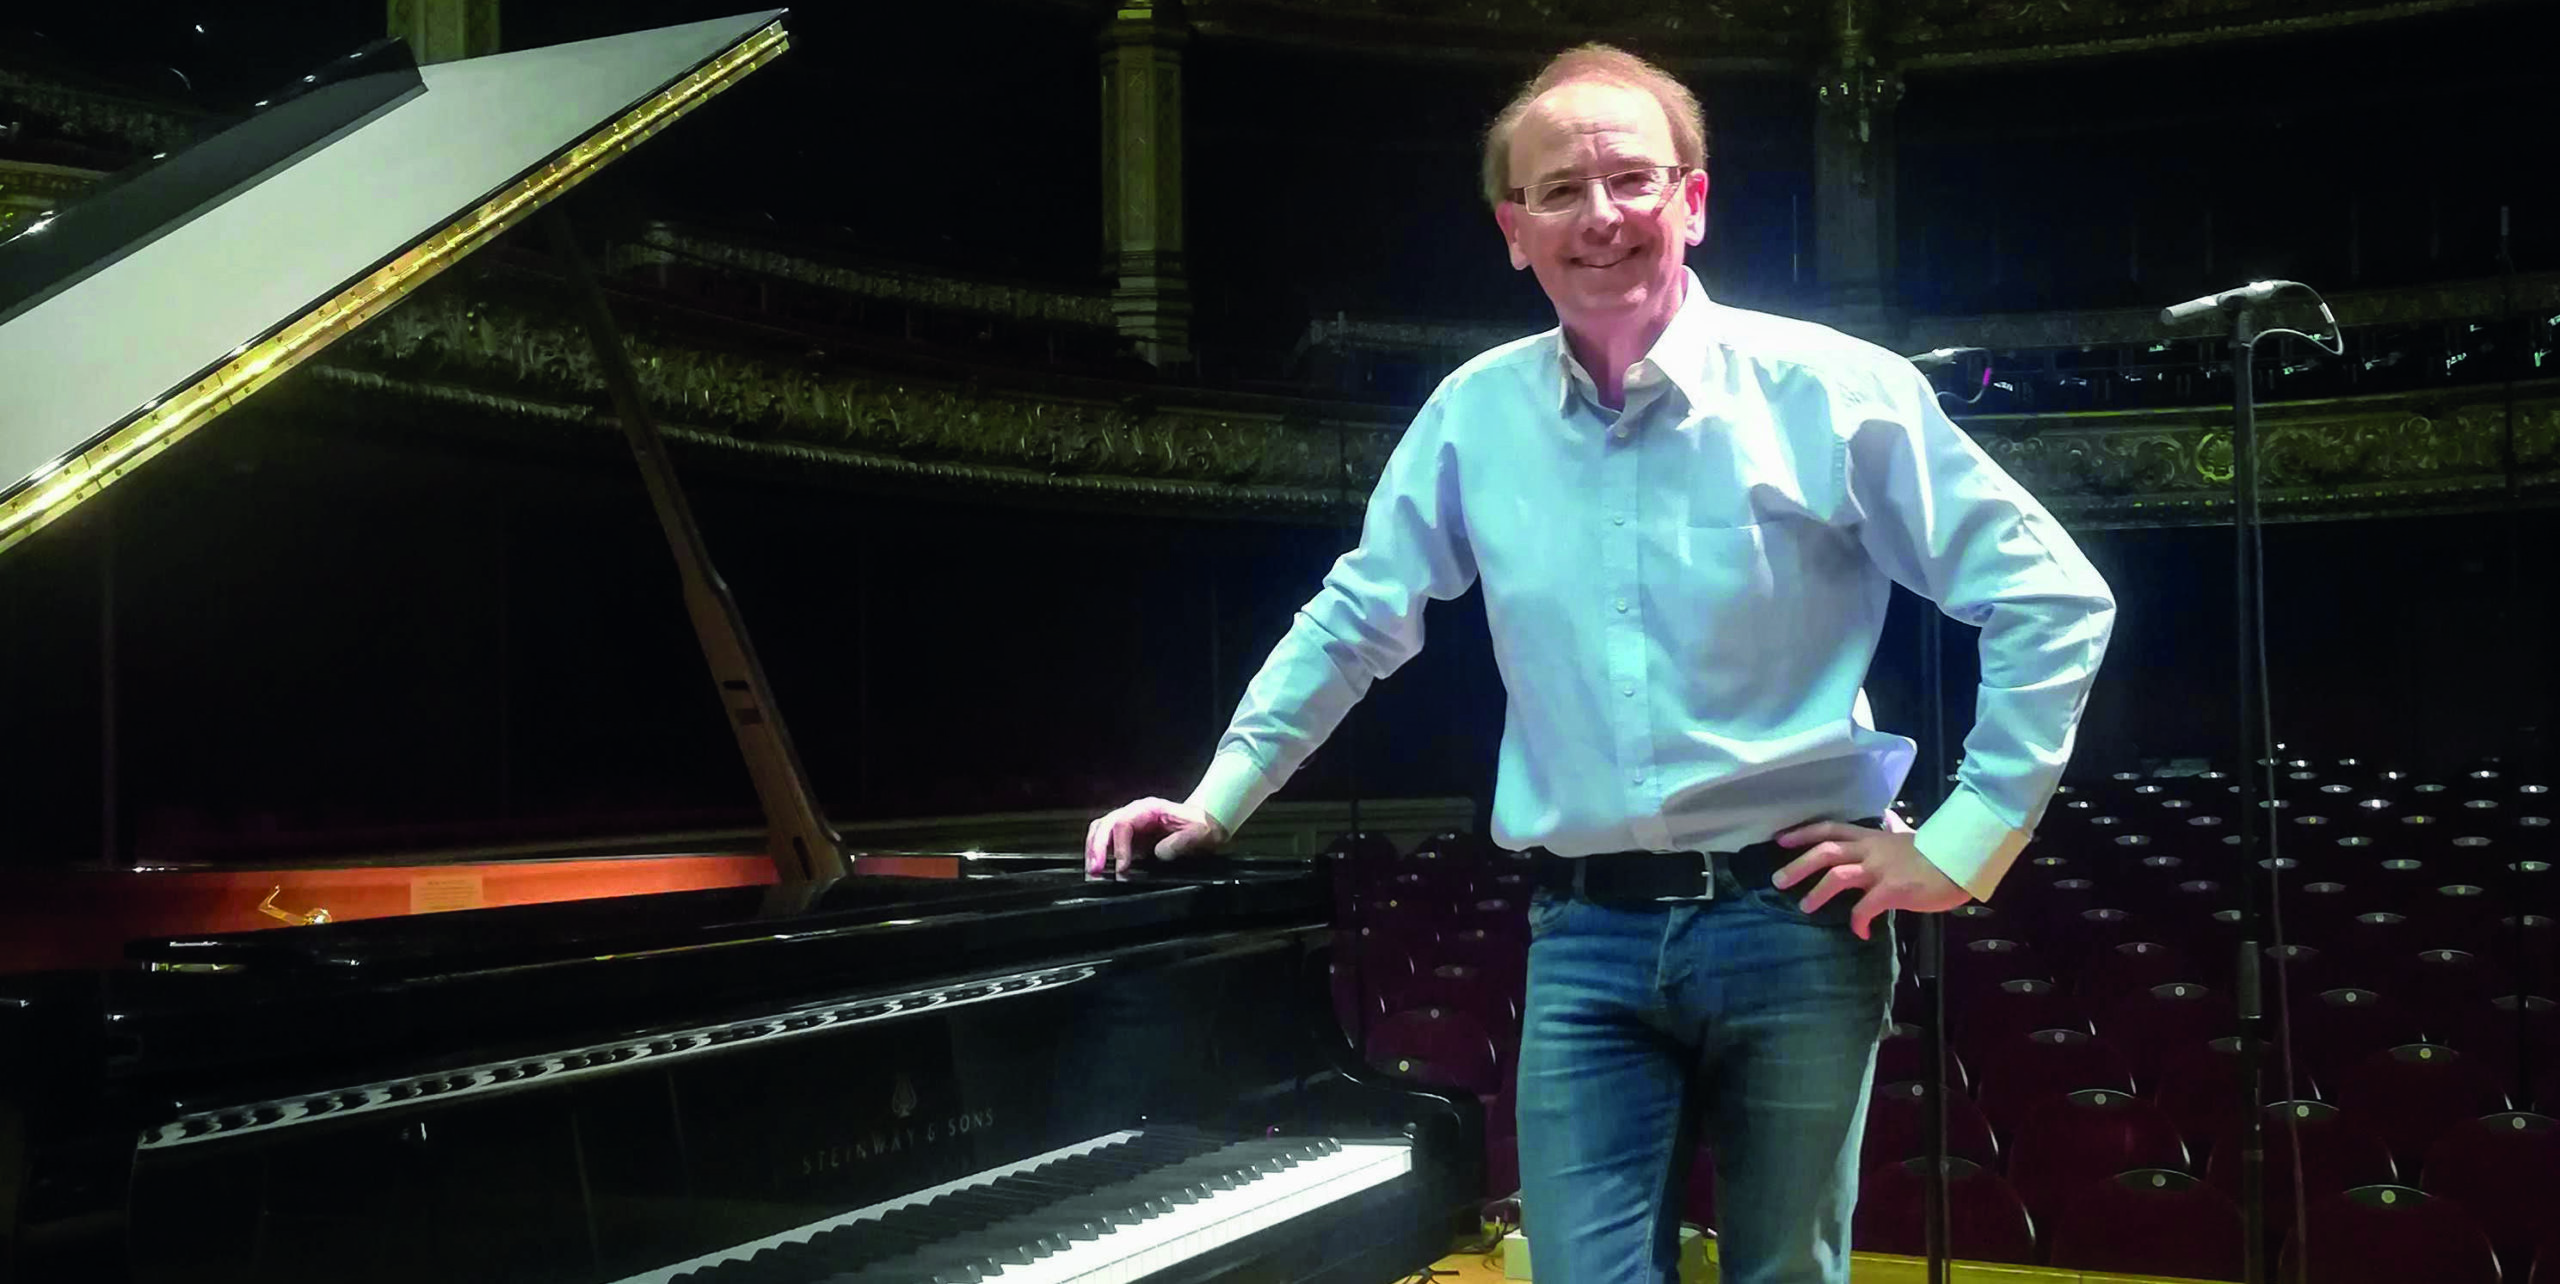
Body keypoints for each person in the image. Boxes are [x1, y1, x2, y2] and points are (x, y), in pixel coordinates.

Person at [1084, 42, 2115, 1284]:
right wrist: (1215, 802)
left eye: (1632, 179)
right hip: (1583, 931)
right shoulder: (1474, 412)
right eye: (1560, 192)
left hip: (1793, 922)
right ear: (1513, 231)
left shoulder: (1834, 390)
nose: (1601, 216)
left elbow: (2052, 597)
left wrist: (1961, 846)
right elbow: (1356, 618)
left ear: (1693, 200)